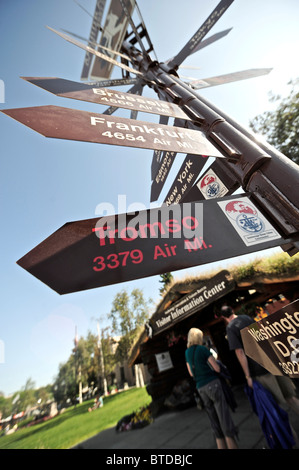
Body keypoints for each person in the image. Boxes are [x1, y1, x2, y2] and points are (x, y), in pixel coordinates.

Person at [219, 305, 299, 417]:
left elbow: (240, 352)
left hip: (260, 368)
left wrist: (248, 377)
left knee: (273, 405)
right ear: (233, 310)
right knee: (291, 398)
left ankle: (289, 434)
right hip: (273, 360)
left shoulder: (231, 328)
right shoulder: (246, 318)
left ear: (223, 317)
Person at [185, 327, 238, 449]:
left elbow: (191, 373)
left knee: (214, 422)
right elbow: (217, 368)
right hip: (212, 384)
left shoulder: (187, 353)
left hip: (201, 388)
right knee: (224, 417)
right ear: (199, 337)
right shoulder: (203, 350)